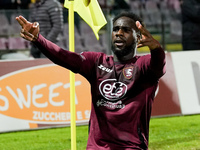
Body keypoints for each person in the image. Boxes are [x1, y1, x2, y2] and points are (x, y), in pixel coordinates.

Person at [16, 11, 166, 149]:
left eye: (126, 30)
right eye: (116, 29)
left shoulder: (143, 65)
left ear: (138, 37)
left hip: (131, 147)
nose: (119, 33)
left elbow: (159, 66)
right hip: (96, 147)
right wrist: (38, 39)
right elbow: (63, 56)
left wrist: (156, 48)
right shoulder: (97, 62)